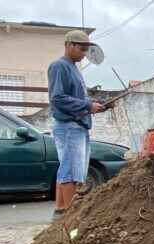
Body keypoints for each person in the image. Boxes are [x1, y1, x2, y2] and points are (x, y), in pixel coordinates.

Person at [48, 30, 106, 220]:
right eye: (82, 49)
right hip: (68, 126)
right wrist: (88, 106)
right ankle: (69, 216)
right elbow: (58, 98)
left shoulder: (74, 69)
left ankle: (60, 211)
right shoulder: (60, 66)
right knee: (71, 171)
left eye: (86, 50)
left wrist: (97, 105)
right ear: (69, 45)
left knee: (66, 169)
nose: (84, 54)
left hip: (77, 125)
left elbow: (77, 98)